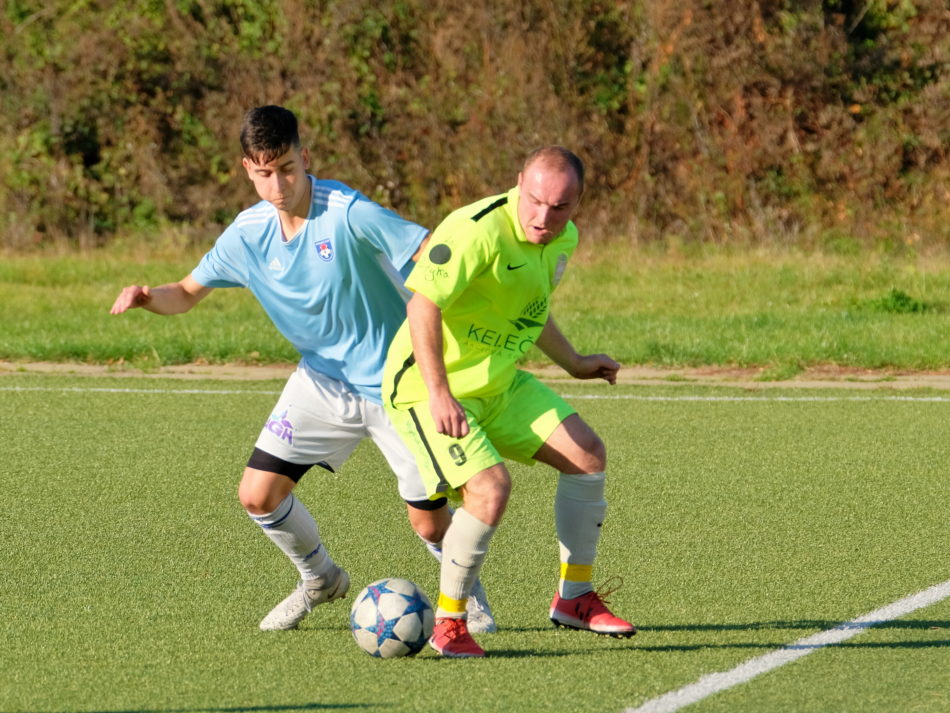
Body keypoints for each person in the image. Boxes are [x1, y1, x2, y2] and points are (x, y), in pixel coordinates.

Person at [110, 105, 494, 633]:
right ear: (247, 169)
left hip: (398, 385)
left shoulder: (348, 212)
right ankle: (320, 579)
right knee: (257, 494)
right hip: (321, 381)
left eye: (287, 168)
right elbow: (186, 292)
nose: (278, 185)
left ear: (305, 157)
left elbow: (433, 252)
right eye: (264, 173)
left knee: (428, 522)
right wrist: (148, 297)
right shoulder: (246, 235)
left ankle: (465, 600)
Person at [383, 146, 635, 657]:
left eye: (560, 207)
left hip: (498, 383)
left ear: (578, 203)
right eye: (535, 201)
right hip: (426, 389)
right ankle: (450, 624)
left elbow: (530, 310)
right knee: (490, 489)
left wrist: (574, 362)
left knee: (587, 454)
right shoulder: (473, 230)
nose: (544, 218)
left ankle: (574, 597)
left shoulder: (564, 238)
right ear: (519, 182)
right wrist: (439, 393)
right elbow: (422, 306)